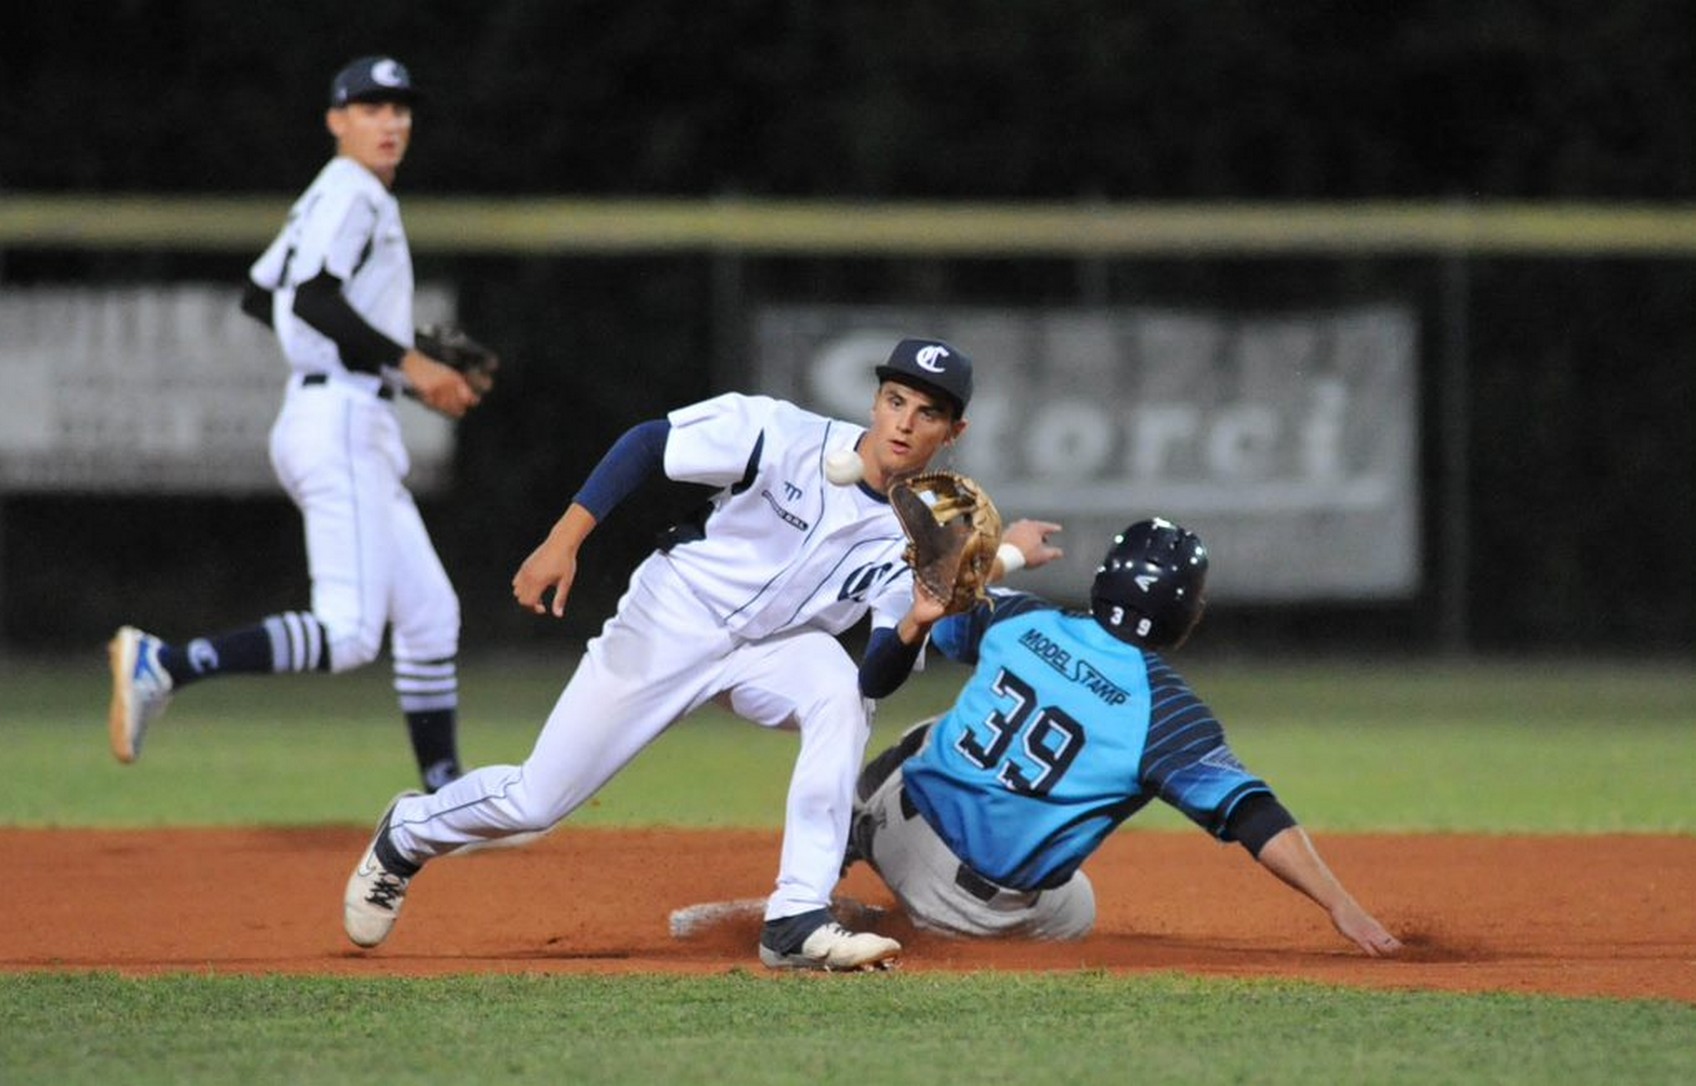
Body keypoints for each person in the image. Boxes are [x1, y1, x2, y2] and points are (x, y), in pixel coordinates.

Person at [339, 338, 1063, 971]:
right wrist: (564, 540)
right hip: (674, 618)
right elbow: (649, 444)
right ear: (875, 401)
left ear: (953, 430)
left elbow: (879, 669)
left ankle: (796, 920)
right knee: (538, 801)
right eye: (895, 398)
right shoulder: (783, 433)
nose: (904, 421)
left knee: (843, 694)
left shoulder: (926, 535)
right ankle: (408, 831)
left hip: (777, 649)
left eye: (927, 412)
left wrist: (913, 625)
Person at [107, 55, 485, 791]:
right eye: (371, 108)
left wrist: (398, 355)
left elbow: (262, 296)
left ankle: (445, 797)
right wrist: (409, 362)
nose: (391, 122)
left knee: (431, 615)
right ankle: (166, 665)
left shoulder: (326, 195)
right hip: (339, 418)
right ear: (336, 120)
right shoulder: (356, 196)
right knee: (346, 633)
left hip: (339, 410)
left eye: (400, 109)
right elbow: (309, 300)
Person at [850, 518, 1403, 957]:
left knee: (933, 732)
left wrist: (1006, 555)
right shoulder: (1165, 712)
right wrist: (1340, 905)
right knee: (1076, 906)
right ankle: (902, 926)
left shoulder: (1020, 618)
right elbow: (1252, 813)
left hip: (893, 828)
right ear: (1187, 613)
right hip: (968, 917)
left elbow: (940, 600)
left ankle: (845, 833)